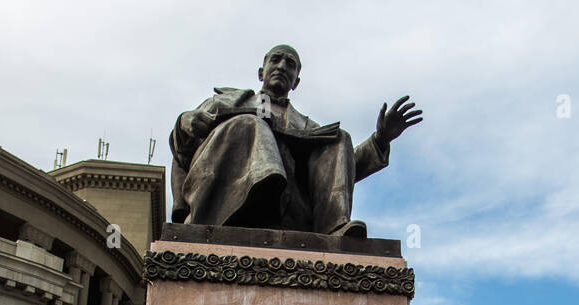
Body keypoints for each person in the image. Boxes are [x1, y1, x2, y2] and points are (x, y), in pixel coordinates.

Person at [169, 44, 422, 236]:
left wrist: (380, 139)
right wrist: (185, 123)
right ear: (261, 72)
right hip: (228, 200)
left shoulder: (305, 126)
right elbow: (183, 146)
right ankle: (258, 196)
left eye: (290, 64)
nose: (282, 66)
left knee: (338, 138)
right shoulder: (227, 101)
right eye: (276, 60)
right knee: (252, 123)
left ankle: (333, 230)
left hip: (291, 209)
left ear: (296, 81)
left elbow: (340, 170)